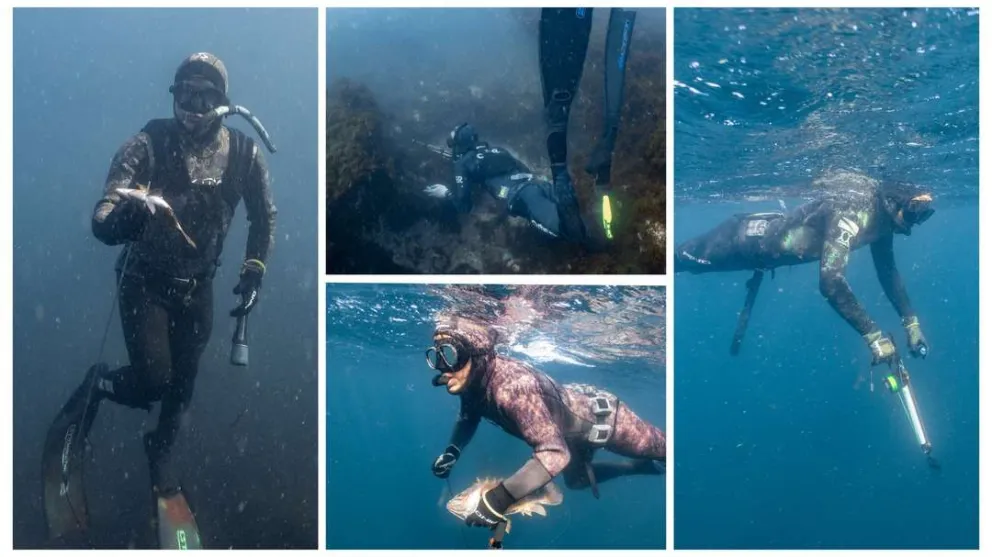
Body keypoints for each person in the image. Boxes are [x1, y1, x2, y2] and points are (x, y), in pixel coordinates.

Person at [42, 52, 277, 547]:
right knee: (153, 380)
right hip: (144, 283)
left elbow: (264, 217)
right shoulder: (146, 144)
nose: (193, 106)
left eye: (205, 95)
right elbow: (103, 214)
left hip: (200, 288)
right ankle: (99, 386)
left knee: (182, 390)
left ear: (223, 103)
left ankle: (160, 456)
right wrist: (125, 217)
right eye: (184, 94)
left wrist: (254, 269)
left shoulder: (246, 155)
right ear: (172, 96)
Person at [426, 316, 666, 531]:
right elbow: (469, 416)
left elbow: (554, 454)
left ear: (477, 356)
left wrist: (497, 500)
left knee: (669, 451)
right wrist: (452, 451)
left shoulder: (513, 389)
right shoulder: (473, 384)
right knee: (576, 482)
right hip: (567, 434)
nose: (444, 369)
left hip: (606, 422)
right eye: (437, 357)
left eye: (451, 355)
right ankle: (638, 468)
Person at [674, 179, 933, 365]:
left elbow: (887, 270)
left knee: (686, 265)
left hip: (762, 253)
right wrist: (873, 335)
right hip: (739, 242)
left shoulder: (882, 222)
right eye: (912, 216)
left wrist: (911, 322)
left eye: (921, 218)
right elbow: (831, 282)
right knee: (681, 260)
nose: (912, 226)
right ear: (892, 202)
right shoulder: (852, 211)